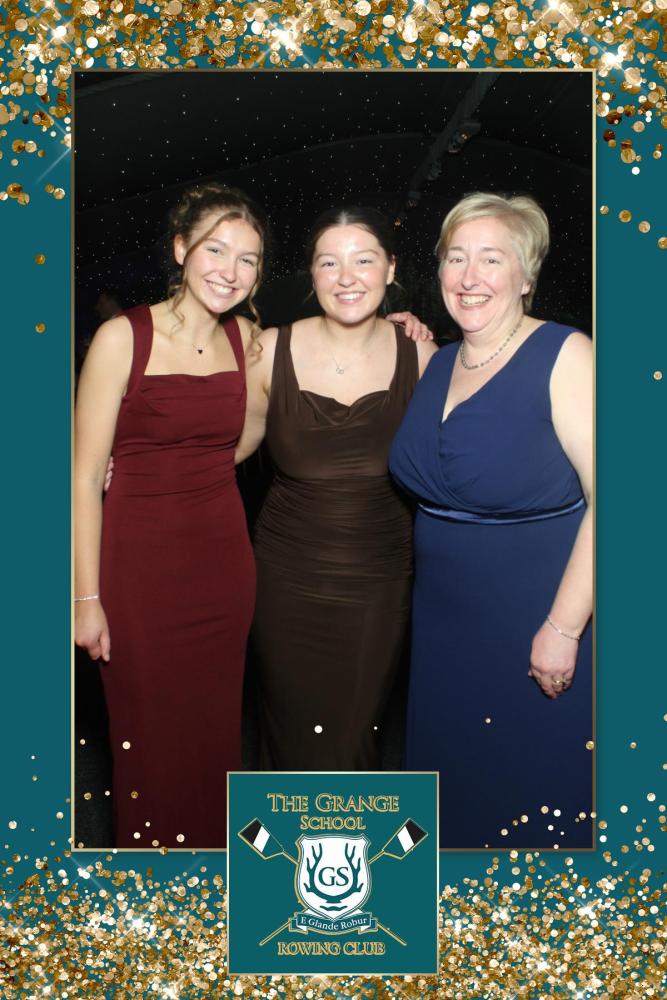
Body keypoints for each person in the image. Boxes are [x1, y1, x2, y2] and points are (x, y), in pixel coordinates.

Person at [389, 192, 593, 849]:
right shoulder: (437, 361)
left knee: (532, 791)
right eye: (455, 258)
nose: (469, 276)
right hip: (443, 629)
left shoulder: (565, 354)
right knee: (455, 793)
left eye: (491, 259)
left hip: (535, 620)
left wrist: (563, 628)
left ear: (526, 276)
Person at [74, 182, 264, 849]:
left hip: (223, 569)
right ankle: (152, 892)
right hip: (138, 574)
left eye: (248, 259)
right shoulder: (121, 337)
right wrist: (86, 599)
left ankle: (213, 884)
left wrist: (398, 324)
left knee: (213, 742)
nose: (230, 271)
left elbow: (248, 435)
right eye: (216, 250)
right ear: (181, 249)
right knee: (147, 748)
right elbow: (81, 476)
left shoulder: (249, 339)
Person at [236, 206, 438, 770]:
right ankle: (281, 831)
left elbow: (463, 455)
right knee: (288, 729)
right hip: (283, 578)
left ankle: (353, 832)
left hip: (379, 581)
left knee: (354, 738)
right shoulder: (268, 351)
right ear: (311, 274)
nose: (346, 277)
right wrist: (131, 463)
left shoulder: (422, 355)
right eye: (329, 263)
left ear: (391, 269)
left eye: (363, 260)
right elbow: (223, 449)